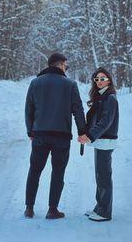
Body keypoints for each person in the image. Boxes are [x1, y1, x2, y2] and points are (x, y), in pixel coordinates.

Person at [24, 52, 86, 219]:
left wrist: (30, 130)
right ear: (59, 65)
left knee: (35, 170)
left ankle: (29, 208)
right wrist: (82, 132)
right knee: (58, 172)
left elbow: (29, 109)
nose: (66, 68)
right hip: (62, 136)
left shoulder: (35, 83)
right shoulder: (70, 84)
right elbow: (78, 110)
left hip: (40, 135)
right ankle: (52, 209)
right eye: (65, 65)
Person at [78, 67, 119, 222]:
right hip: (101, 141)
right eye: (97, 79)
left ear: (109, 79)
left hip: (105, 140)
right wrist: (86, 134)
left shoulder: (110, 98)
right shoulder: (102, 97)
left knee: (104, 176)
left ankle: (105, 212)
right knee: (100, 175)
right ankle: (99, 207)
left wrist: (89, 136)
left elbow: (105, 122)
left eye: (103, 78)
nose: (99, 81)